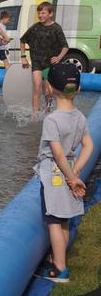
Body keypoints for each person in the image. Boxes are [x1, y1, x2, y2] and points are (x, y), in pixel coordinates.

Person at [33, 63, 92, 283]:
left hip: (55, 174)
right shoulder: (79, 117)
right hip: (69, 169)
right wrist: (76, 171)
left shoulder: (52, 119)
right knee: (64, 218)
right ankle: (59, 258)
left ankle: (59, 269)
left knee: (53, 221)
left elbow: (56, 154)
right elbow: (89, 146)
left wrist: (70, 177)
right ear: (77, 90)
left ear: (50, 88)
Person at [20, 1, 69, 117]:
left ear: (50, 14)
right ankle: (35, 115)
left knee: (48, 91)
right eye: (39, 13)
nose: (40, 15)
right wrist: (23, 57)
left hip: (50, 64)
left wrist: (59, 57)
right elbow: (22, 41)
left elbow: (65, 46)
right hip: (37, 62)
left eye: (43, 13)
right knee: (37, 87)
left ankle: (47, 112)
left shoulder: (56, 28)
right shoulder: (35, 28)